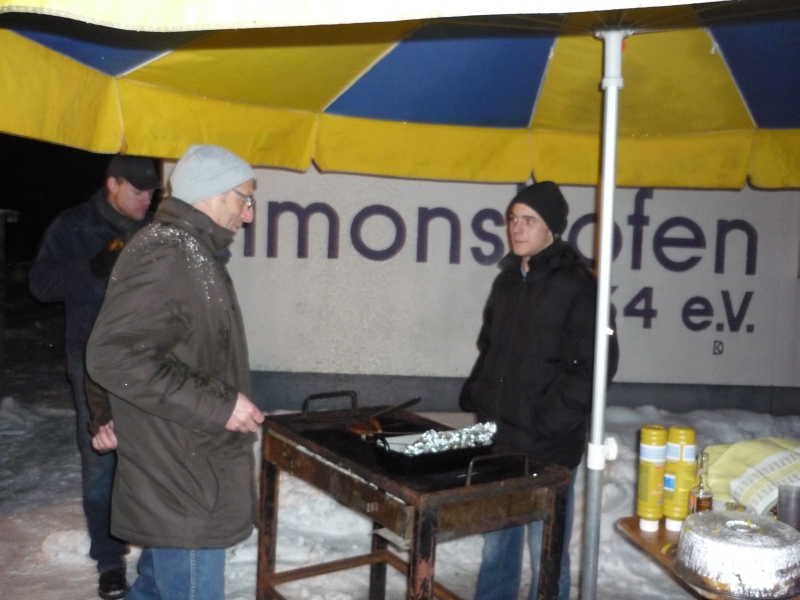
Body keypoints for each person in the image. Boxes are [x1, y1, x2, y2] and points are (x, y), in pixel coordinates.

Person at [86, 144, 265, 600]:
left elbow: (138, 343)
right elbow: (112, 352)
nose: (249, 215)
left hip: (187, 462)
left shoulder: (193, 251)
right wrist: (221, 405)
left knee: (154, 588)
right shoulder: (168, 253)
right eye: (245, 199)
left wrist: (111, 412)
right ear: (211, 193)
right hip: (183, 479)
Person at [459, 181, 619, 600]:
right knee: (497, 549)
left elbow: (594, 367)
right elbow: (490, 348)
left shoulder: (579, 287)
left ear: (552, 228)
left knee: (546, 555)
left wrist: (547, 421)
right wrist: (478, 391)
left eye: (529, 220)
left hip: (548, 448)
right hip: (502, 444)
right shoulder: (508, 282)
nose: (517, 228)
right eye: (513, 219)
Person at [29, 154, 161, 600]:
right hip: (91, 364)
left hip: (147, 361)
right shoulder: (73, 226)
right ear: (112, 184)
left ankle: (155, 559)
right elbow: (41, 285)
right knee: (100, 464)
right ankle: (109, 561)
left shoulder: (154, 227)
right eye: (138, 192)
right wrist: (91, 267)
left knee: (151, 460)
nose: (146, 201)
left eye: (152, 193)